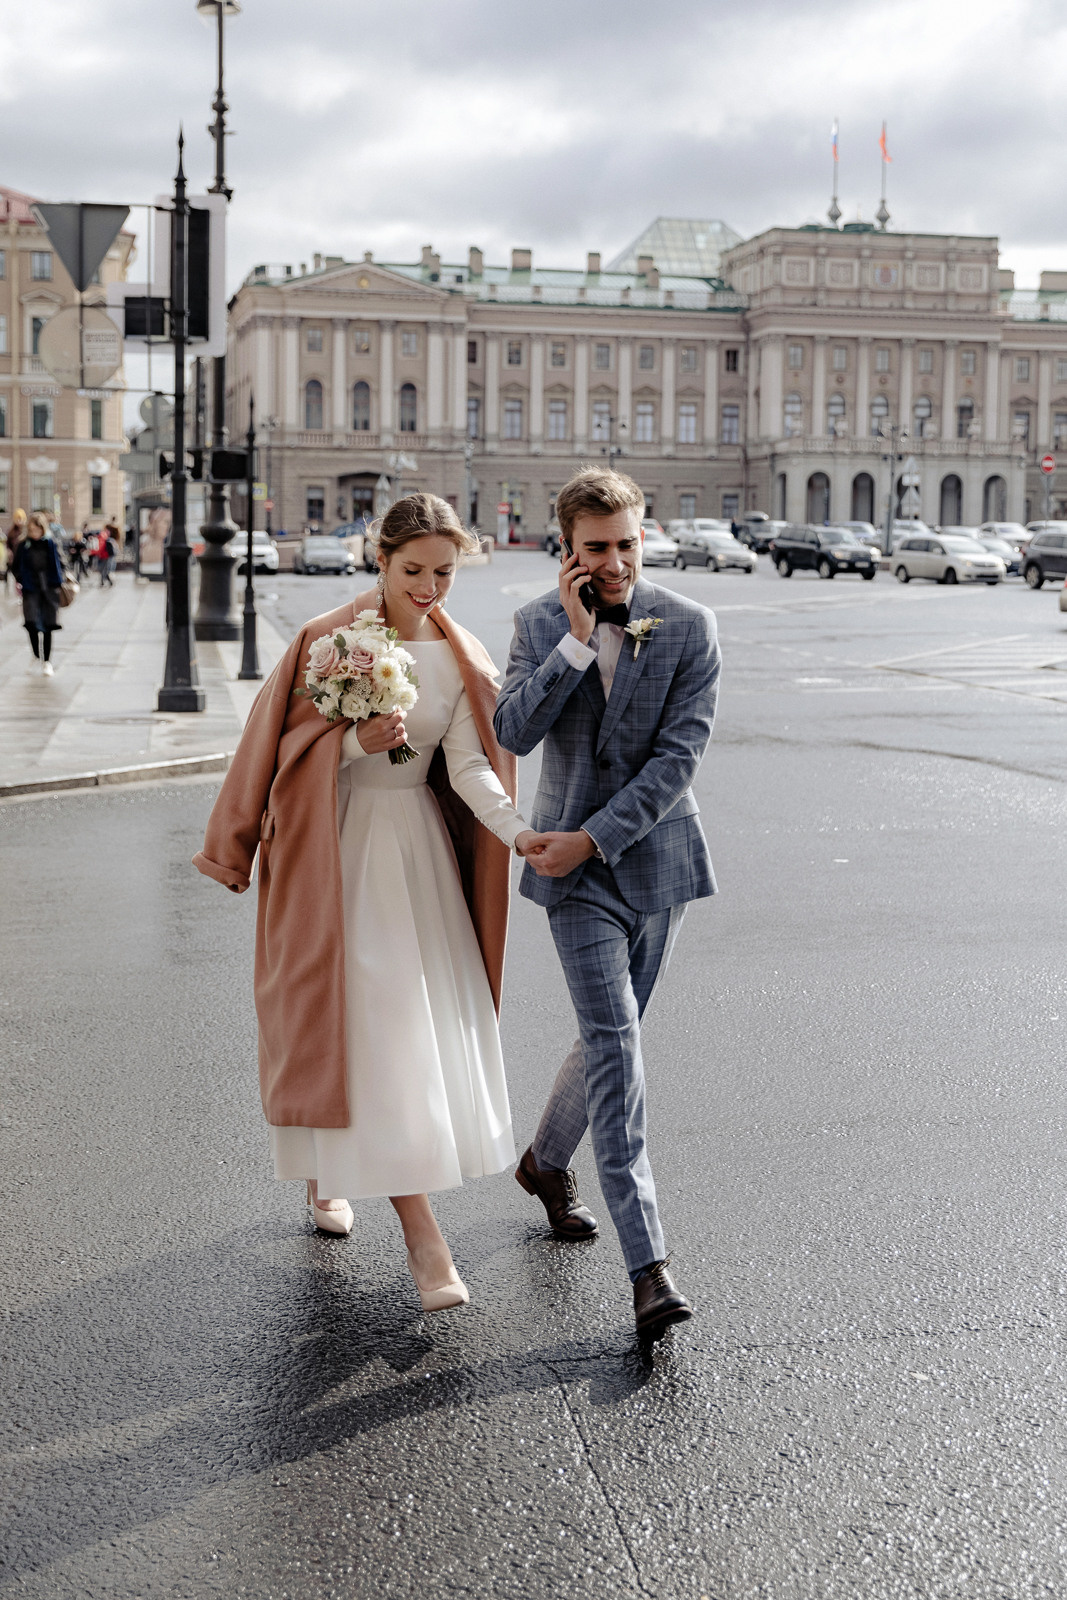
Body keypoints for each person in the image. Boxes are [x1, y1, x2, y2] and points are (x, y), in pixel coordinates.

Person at [193, 493, 539, 1312]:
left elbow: (469, 767)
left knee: (396, 1036)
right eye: (413, 569)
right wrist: (352, 742)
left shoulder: (462, 656)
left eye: (444, 572)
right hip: (335, 854)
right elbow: (279, 753)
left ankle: (334, 1172)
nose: (428, 587)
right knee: (359, 1027)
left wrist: (519, 833)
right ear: (379, 560)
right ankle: (423, 1237)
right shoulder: (330, 640)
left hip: (417, 858)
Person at [494, 466, 721, 1340]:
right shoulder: (537, 624)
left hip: (655, 861)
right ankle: (648, 1267)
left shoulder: (689, 624)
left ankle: (545, 1163)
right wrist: (577, 642)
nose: (616, 562)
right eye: (596, 548)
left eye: (627, 543)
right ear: (567, 550)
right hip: (571, 875)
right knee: (618, 1048)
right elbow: (513, 732)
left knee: (607, 1037)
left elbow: (677, 760)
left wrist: (594, 837)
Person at [11, 511, 65, 676]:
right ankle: (36, 655)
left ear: (43, 529)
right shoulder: (24, 545)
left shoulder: (50, 543)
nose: (34, 533)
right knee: (32, 624)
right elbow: (15, 566)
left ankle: (46, 661)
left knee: (48, 625)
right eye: (32, 530)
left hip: (48, 589)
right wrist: (22, 578)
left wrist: (56, 580)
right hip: (30, 589)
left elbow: (61, 563)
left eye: (37, 530)